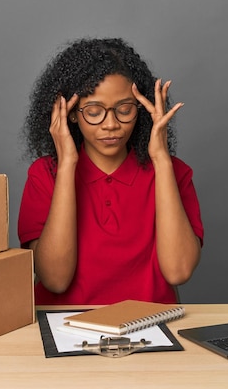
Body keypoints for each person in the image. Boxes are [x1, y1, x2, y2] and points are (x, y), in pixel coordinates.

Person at [18, 37, 204, 305]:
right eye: (94, 111)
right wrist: (68, 163)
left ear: (141, 109)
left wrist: (161, 160)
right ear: (70, 112)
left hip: (149, 329)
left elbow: (179, 271)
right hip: (64, 329)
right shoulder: (44, 174)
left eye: (124, 109)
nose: (111, 124)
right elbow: (55, 279)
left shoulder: (175, 173)